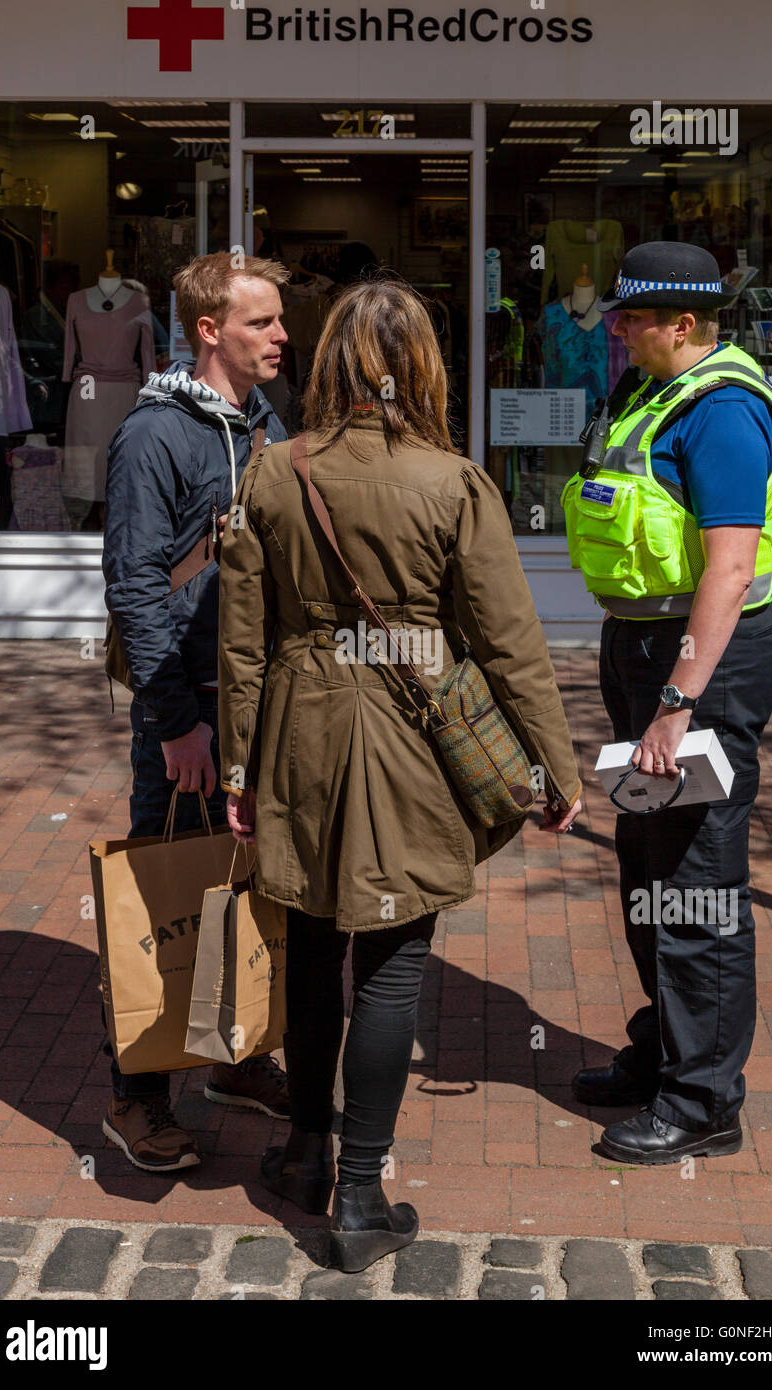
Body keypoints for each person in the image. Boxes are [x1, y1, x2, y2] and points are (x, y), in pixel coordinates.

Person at [218, 278, 582, 1271]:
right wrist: (554, 765)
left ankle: (302, 1150)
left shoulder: (271, 470)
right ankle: (358, 1194)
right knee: (389, 963)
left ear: (330, 360)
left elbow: (241, 644)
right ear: (420, 364)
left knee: (306, 939)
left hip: (297, 725)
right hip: (409, 730)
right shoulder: (451, 480)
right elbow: (507, 641)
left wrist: (238, 769)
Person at [564, 242, 772, 1163]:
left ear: (684, 324)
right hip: (645, 647)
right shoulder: (649, 393)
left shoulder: (726, 411)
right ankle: (664, 1049)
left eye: (632, 317)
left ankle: (703, 1101)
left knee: (696, 883)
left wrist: (676, 701)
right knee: (648, 863)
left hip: (702, 664)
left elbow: (730, 574)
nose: (615, 328)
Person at [100, 251, 291, 1172]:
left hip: (252, 700)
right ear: (209, 331)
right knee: (164, 895)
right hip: (187, 705)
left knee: (245, 883)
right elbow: (134, 585)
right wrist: (175, 721)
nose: (282, 336)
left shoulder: (261, 422)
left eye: (280, 321)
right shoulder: (153, 436)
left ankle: (238, 1054)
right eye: (262, 323)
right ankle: (135, 1099)